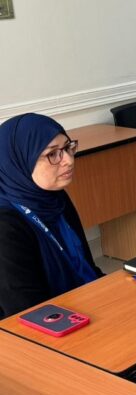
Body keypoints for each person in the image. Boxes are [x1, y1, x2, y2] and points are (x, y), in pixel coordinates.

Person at [0, 114, 102, 318]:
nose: (68, 160)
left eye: (67, 148)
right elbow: (27, 312)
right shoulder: (5, 226)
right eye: (52, 154)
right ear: (21, 160)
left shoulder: (54, 197)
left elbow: (86, 266)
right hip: (41, 328)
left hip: (82, 300)